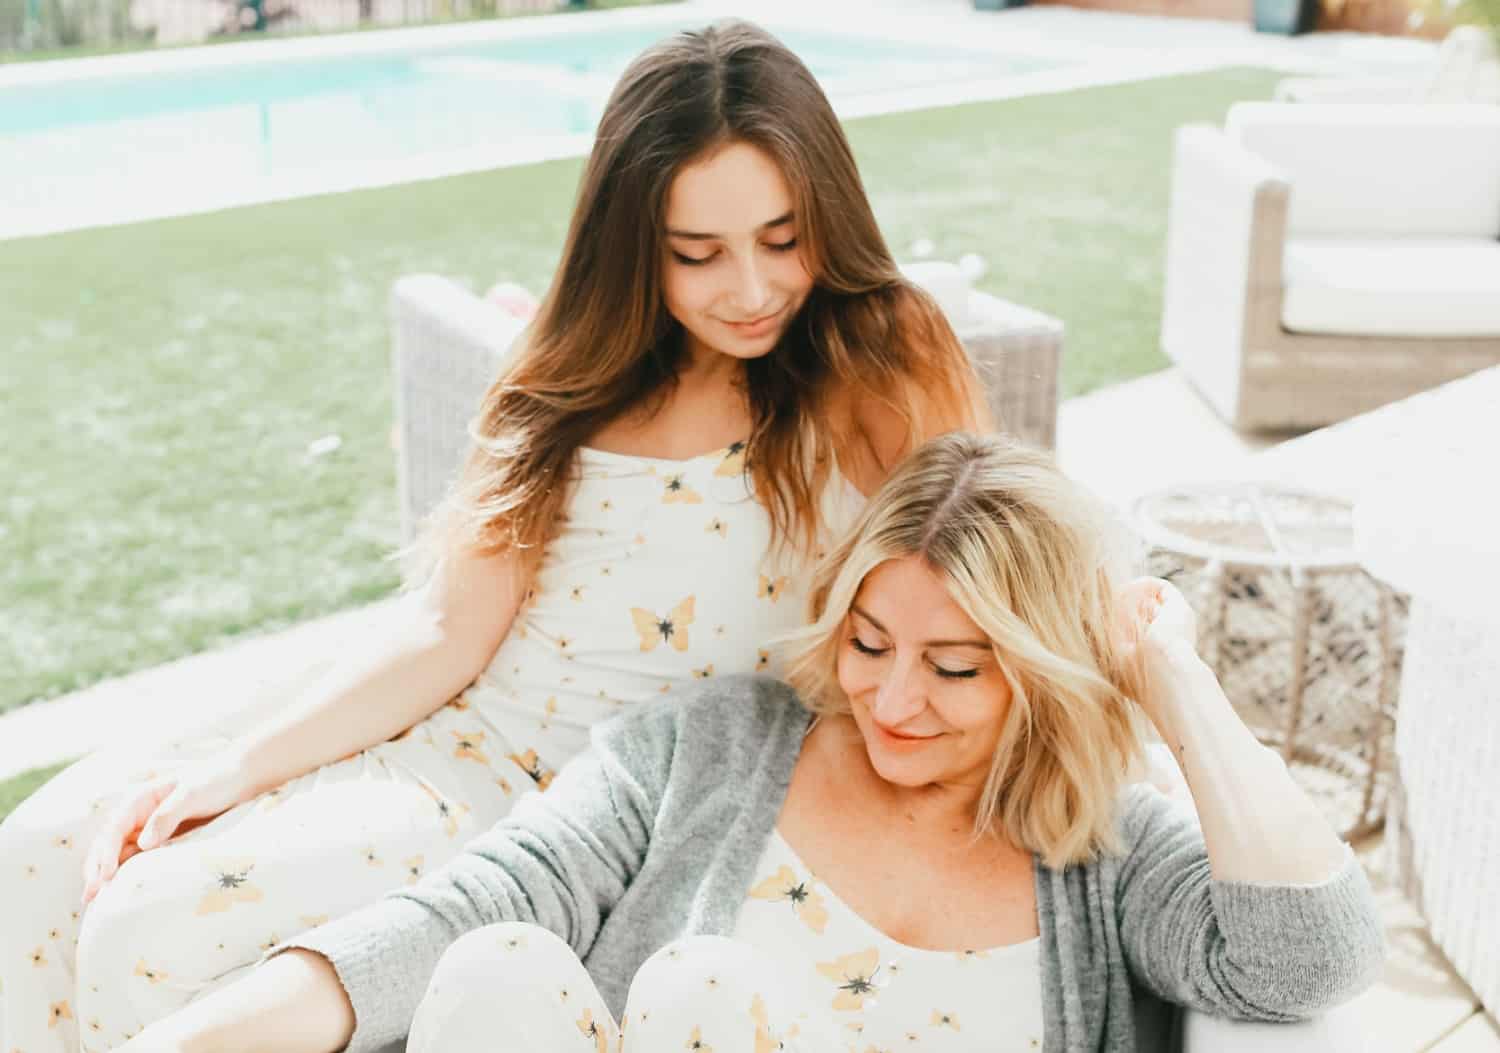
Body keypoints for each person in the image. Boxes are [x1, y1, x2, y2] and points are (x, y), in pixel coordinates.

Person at [0, 20, 984, 1053]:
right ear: (635, 246)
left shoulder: (881, 356)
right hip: (470, 757)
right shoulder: (570, 375)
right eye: (698, 254)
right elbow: (445, 630)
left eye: (782, 239)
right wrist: (243, 768)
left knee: (149, 933)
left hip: (625, 808)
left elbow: (990, 567)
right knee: (47, 860)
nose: (748, 288)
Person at [113, 432, 1384, 1053]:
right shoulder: (715, 746)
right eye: (868, 642)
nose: (892, 700)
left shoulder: (1109, 846)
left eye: (955, 668)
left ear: (1048, 674)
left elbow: (1308, 963)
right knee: (517, 965)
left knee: (696, 991)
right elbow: (474, 909)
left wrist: (1171, 675)